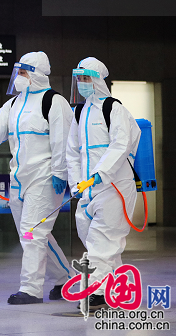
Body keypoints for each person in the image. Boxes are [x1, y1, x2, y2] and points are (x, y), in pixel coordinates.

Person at [0, 51, 75, 304]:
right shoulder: (14, 104)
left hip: (45, 178)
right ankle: (66, 278)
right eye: (18, 72)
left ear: (36, 74)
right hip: (19, 179)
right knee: (32, 234)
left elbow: (63, 140)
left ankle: (31, 289)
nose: (18, 77)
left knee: (32, 231)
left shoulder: (55, 102)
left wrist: (60, 172)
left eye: (23, 72)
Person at [66, 57, 141, 310]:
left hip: (115, 186)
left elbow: (121, 144)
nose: (82, 83)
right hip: (89, 190)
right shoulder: (79, 112)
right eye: (79, 78)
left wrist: (101, 172)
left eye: (86, 78)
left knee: (102, 240)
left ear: (98, 80)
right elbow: (72, 152)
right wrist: (77, 183)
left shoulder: (113, 108)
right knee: (93, 238)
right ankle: (117, 288)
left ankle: (97, 292)